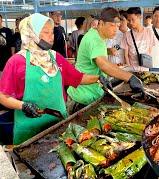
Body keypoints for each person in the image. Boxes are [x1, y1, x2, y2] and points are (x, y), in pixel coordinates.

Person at [0, 13, 101, 144]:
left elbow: (78, 78)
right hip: (29, 131)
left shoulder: (55, 58)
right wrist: (23, 105)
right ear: (31, 33)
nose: (51, 36)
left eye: (51, 32)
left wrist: (98, 79)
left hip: (58, 125)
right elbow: (3, 96)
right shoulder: (16, 61)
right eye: (45, 32)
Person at [67, 8, 144, 109]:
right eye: (112, 25)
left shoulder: (95, 33)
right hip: (82, 97)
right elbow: (104, 65)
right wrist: (130, 77)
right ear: (101, 23)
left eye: (117, 26)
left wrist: (107, 51)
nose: (115, 29)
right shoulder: (95, 40)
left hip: (90, 92)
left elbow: (96, 52)